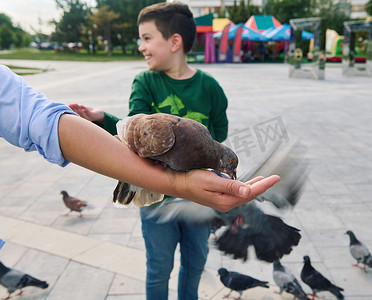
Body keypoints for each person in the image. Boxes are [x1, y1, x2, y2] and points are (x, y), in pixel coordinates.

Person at [69, 2, 251, 299]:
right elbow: (134, 134)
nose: (142, 46)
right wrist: (103, 119)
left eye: (147, 38)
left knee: (195, 264)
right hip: (156, 198)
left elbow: (219, 136)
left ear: (174, 41)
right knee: (159, 267)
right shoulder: (146, 82)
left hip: (198, 200)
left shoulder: (210, 88)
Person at [0, 64, 280, 213]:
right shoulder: (149, 88)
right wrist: (176, 183)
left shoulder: (207, 122)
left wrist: (181, 183)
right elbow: (133, 127)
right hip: (148, 153)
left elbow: (40, 120)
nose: (230, 171)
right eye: (230, 165)